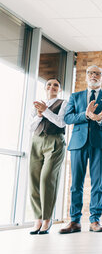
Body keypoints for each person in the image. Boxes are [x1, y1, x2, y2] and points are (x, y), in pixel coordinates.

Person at [60, 65, 102, 234]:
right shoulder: (75, 96)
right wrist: (85, 115)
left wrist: (101, 119)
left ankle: (95, 220)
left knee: (97, 184)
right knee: (75, 184)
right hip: (78, 143)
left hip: (100, 143)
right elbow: (68, 117)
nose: (94, 75)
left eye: (98, 73)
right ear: (86, 76)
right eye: (91, 73)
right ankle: (75, 221)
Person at [28, 78, 67, 235]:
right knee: (34, 180)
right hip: (37, 141)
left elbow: (61, 123)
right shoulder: (37, 104)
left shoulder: (63, 103)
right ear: (45, 88)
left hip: (55, 141)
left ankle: (47, 218)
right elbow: (30, 126)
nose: (52, 87)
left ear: (59, 89)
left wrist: (45, 111)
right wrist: (38, 115)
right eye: (49, 84)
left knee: (47, 179)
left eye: (56, 85)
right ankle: (38, 218)